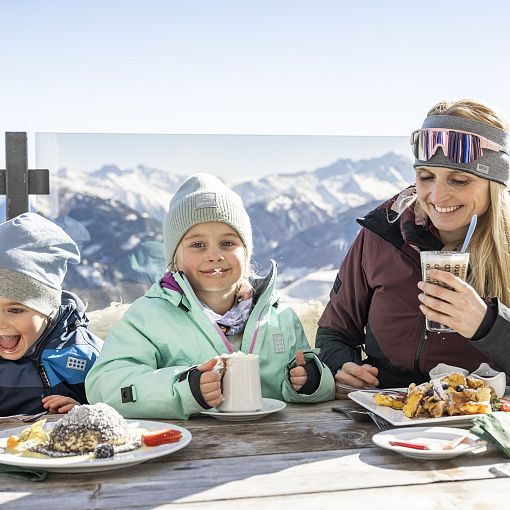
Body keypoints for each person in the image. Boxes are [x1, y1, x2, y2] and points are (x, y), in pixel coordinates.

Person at [85, 173, 335, 419]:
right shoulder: (148, 318)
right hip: (190, 449)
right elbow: (104, 386)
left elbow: (312, 380)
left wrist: (311, 381)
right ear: (174, 258)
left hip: (278, 446)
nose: (214, 255)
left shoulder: (280, 317)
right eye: (197, 245)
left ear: (246, 253)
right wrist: (184, 388)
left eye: (228, 243)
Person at [315, 99, 510, 394]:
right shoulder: (383, 234)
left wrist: (487, 326)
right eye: (426, 177)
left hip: (481, 422)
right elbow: (334, 333)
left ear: (493, 185)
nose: (438, 195)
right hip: (385, 410)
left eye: (459, 180)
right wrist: (343, 365)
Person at [0, 213, 104, 415]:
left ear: (48, 307)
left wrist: (83, 412)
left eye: (15, 310)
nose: (1, 323)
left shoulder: (87, 354)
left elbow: (115, 411)